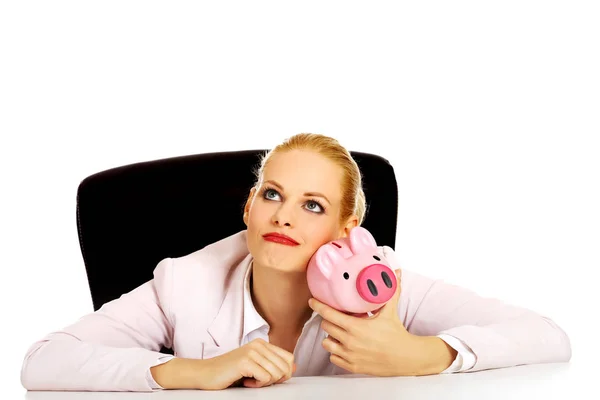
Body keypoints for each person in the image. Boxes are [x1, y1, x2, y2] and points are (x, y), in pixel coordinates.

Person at [20, 133, 572, 392]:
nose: (283, 217)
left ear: (346, 231)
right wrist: (194, 372)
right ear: (249, 206)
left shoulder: (386, 286)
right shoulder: (183, 283)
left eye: (313, 206)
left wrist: (421, 354)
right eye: (271, 194)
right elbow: (43, 362)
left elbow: (547, 336)